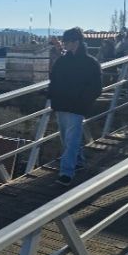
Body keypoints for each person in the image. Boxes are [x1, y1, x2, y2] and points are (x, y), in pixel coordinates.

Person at [47, 28, 102, 186]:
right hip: (64, 104)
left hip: (74, 106)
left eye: (67, 42)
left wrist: (82, 101)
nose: (64, 44)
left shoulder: (88, 62)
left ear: (75, 42)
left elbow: (96, 88)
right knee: (67, 138)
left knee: (70, 139)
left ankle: (66, 172)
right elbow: (54, 80)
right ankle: (78, 161)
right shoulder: (70, 61)